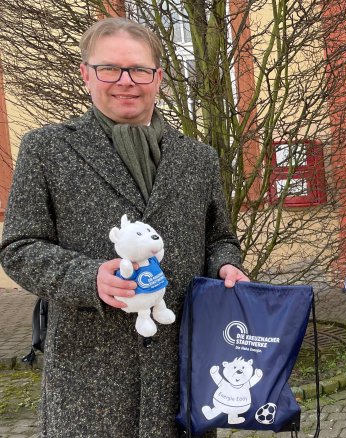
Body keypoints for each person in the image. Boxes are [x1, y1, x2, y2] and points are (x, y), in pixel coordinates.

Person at [0, 18, 248, 436]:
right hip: (88, 379)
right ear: (86, 74)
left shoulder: (198, 158)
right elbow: (19, 248)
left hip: (181, 374)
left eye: (138, 70)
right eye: (109, 69)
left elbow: (219, 238)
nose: (125, 81)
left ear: (158, 78)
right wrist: (88, 278)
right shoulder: (47, 148)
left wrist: (227, 265)